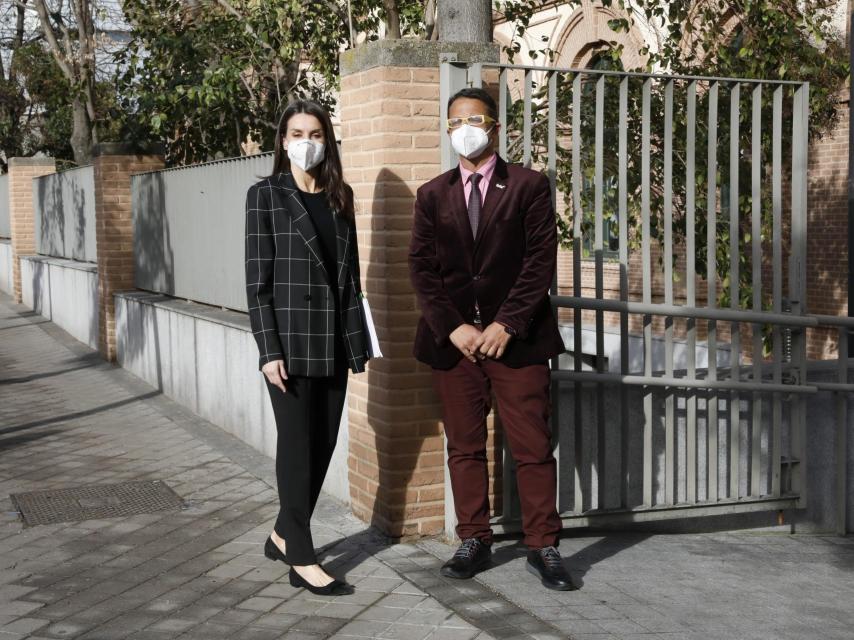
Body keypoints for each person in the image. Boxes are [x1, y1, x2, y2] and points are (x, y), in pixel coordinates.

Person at [408, 87, 573, 591]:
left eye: (474, 120)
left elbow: (539, 261)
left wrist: (506, 324)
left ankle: (543, 545)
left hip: (517, 342)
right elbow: (421, 267)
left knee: (532, 446)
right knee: (464, 446)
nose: (464, 129)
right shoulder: (432, 194)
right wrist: (454, 326)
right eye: (455, 122)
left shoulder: (528, 186)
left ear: (496, 126)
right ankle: (474, 538)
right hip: (454, 345)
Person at [244, 100, 370, 596]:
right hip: (290, 344)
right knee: (297, 447)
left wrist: (357, 340)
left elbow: (351, 277)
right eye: (296, 133)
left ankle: (281, 532)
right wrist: (267, 349)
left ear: (328, 139)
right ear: (282, 140)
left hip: (334, 341)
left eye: (315, 133)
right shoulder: (265, 196)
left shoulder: (342, 196)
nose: (306, 142)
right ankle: (302, 555)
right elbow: (258, 281)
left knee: (323, 445)